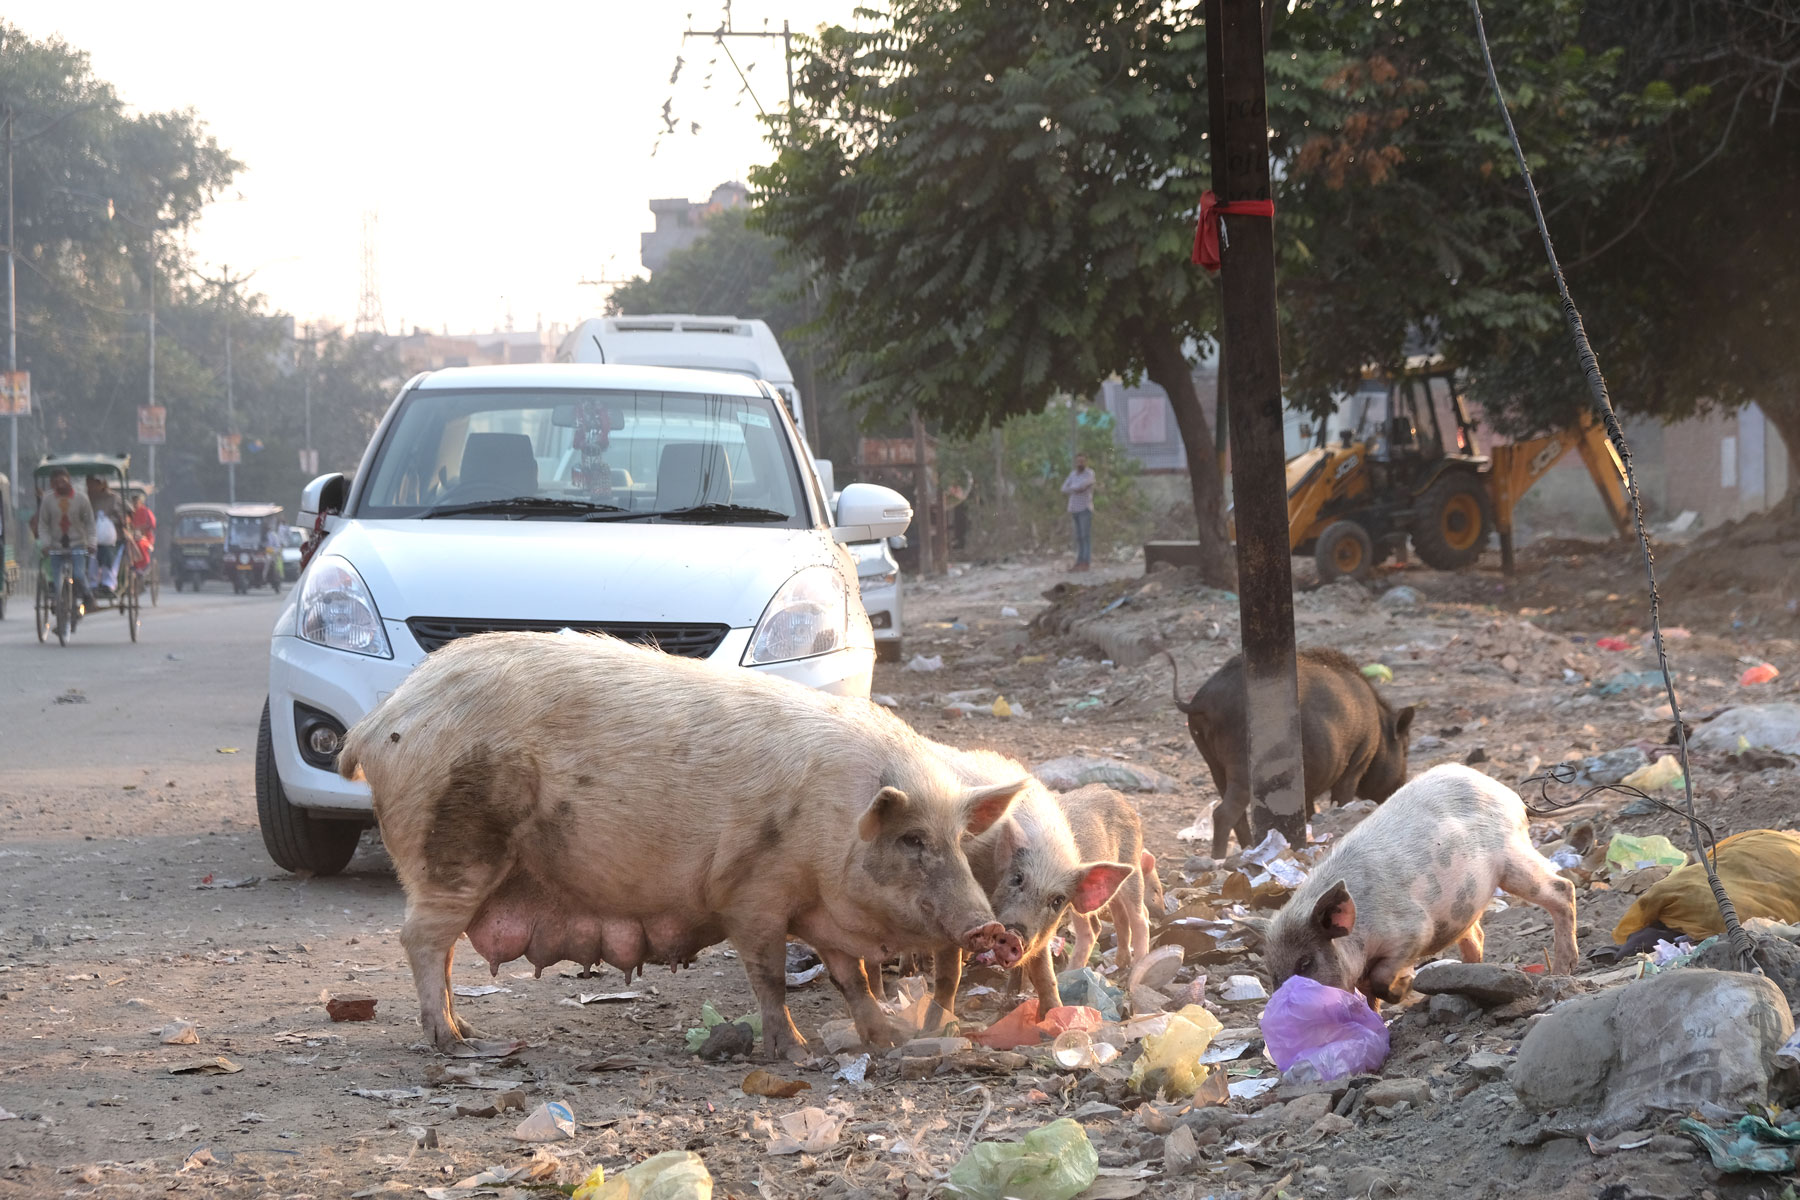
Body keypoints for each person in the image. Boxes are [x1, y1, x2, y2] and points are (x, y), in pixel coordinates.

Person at [34, 467, 95, 604]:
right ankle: (61, 605)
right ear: (52, 484)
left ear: (69, 481)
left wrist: (92, 543)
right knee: (57, 581)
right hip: (55, 545)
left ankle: (87, 595)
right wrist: (46, 543)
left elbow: (90, 523)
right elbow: (43, 525)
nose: (59, 485)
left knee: (78, 574)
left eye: (62, 481)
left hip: (77, 543)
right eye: (56, 482)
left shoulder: (81, 499)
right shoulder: (47, 500)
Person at [86, 474, 126, 598]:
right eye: (89, 484)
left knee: (109, 555)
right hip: (89, 537)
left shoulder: (114, 498)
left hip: (111, 539)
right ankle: (91, 584)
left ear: (102, 484)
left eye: (93, 484)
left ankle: (107, 584)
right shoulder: (85, 499)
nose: (90, 487)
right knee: (89, 557)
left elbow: (126, 515)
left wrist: (111, 521)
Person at [1060, 452, 1096, 572]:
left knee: (1085, 536)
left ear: (1086, 462)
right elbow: (1064, 488)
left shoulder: (1089, 474)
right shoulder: (1073, 474)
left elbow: (1084, 485)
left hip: (1085, 509)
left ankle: (1085, 562)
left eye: (1082, 461)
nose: (1080, 463)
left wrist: (1075, 488)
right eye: (1078, 461)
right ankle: (1079, 561)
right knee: (1079, 537)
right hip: (1074, 508)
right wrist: (1075, 488)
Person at [128, 493, 156, 577]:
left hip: (145, 536)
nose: (134, 505)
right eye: (133, 503)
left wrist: (141, 529)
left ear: (140, 502)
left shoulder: (146, 512)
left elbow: (151, 525)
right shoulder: (131, 512)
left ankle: (142, 566)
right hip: (132, 536)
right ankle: (131, 565)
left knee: (140, 544)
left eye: (136, 502)